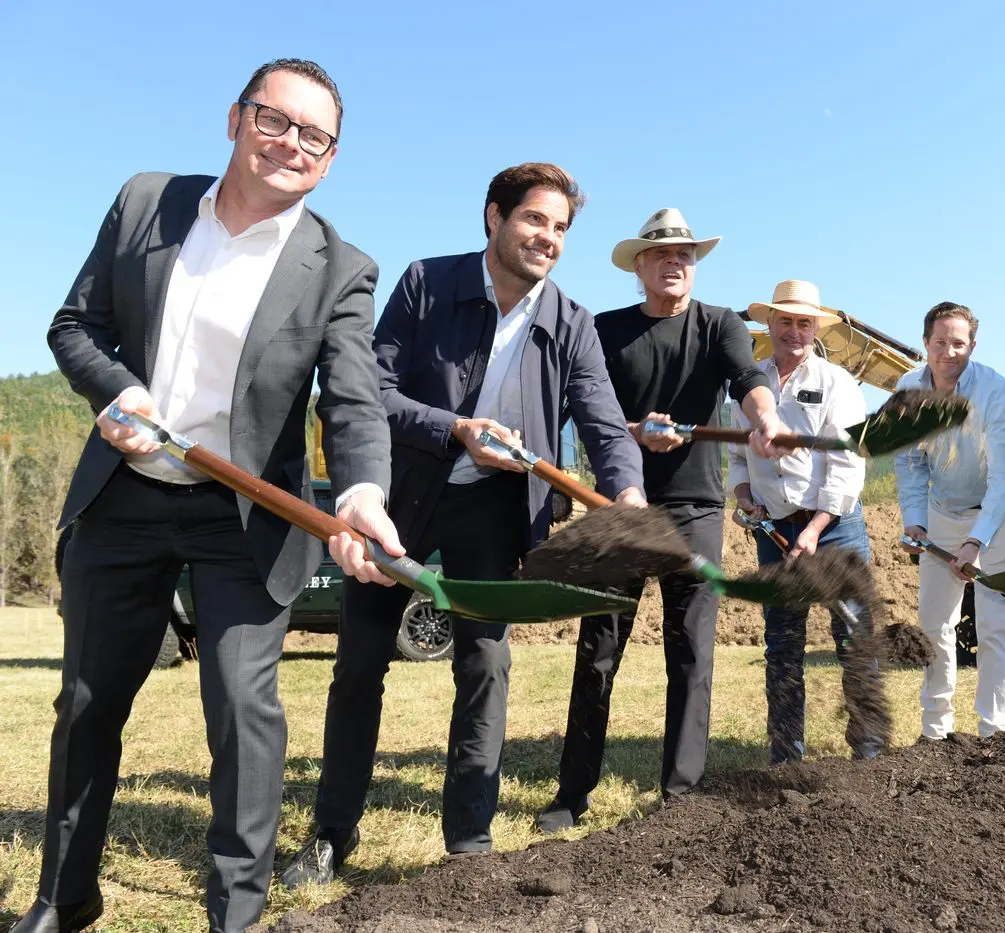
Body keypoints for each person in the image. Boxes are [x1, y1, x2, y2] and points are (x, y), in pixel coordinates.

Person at [23, 59, 399, 933]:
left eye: (314, 136)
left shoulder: (340, 269)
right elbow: (74, 326)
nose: (291, 144)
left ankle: (236, 913)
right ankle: (64, 897)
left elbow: (353, 398)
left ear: (330, 161)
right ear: (235, 119)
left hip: (246, 515)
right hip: (124, 494)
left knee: (241, 710)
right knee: (86, 702)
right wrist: (116, 389)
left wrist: (363, 491)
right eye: (274, 120)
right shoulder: (145, 203)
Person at [282, 163, 646, 887]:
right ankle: (331, 831)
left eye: (561, 228)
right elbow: (370, 389)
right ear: (494, 217)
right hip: (401, 495)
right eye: (535, 219)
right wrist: (455, 429)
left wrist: (628, 493)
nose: (548, 238)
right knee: (361, 661)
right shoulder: (426, 283)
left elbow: (605, 424)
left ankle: (469, 845)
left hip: (496, 508)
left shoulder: (570, 322)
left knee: (485, 663)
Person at [535, 209, 783, 832]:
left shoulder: (720, 324)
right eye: (663, 254)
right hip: (620, 507)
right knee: (598, 649)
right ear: (639, 265)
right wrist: (633, 430)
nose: (676, 262)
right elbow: (584, 411)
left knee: (692, 653)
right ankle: (571, 795)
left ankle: (681, 797)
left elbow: (749, 377)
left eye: (686, 255)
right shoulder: (605, 330)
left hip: (696, 508)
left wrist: (766, 418)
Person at [729, 280, 877, 764]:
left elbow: (847, 465)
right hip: (774, 529)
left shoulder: (837, 383)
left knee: (853, 637)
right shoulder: (749, 384)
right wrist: (745, 496)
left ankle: (869, 756)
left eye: (804, 323)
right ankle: (786, 757)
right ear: (769, 325)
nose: (794, 331)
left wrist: (813, 531)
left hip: (834, 528)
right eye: (786, 321)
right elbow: (738, 456)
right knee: (782, 643)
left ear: (816, 329)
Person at [894, 302, 1005, 739]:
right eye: (940, 342)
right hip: (942, 512)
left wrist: (976, 542)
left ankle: (995, 731)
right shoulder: (907, 389)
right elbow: (910, 464)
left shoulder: (995, 391)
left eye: (958, 343)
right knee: (934, 624)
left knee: (994, 627)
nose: (948, 352)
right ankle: (936, 731)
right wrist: (915, 522)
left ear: (973, 345)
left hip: (1000, 514)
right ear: (925, 343)